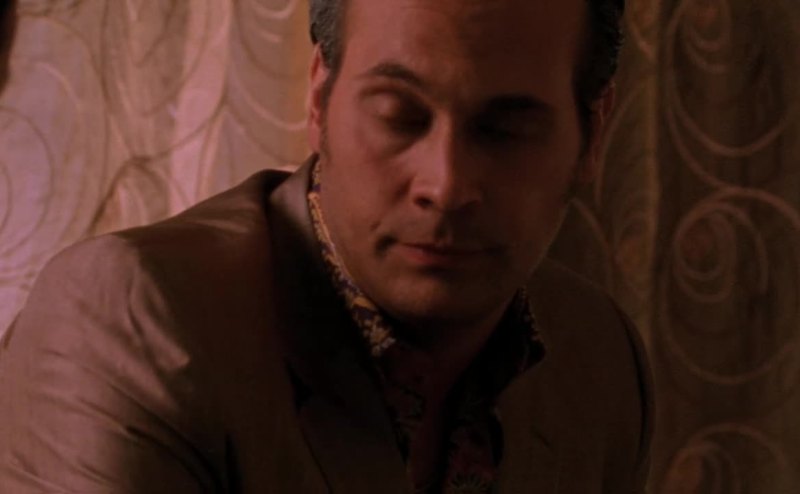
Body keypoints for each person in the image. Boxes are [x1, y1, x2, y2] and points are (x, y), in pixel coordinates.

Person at [0, 0, 653, 492]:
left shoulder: (601, 357)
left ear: (591, 138)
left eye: (505, 130)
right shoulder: (132, 322)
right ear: (320, 99)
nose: (446, 185)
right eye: (398, 115)